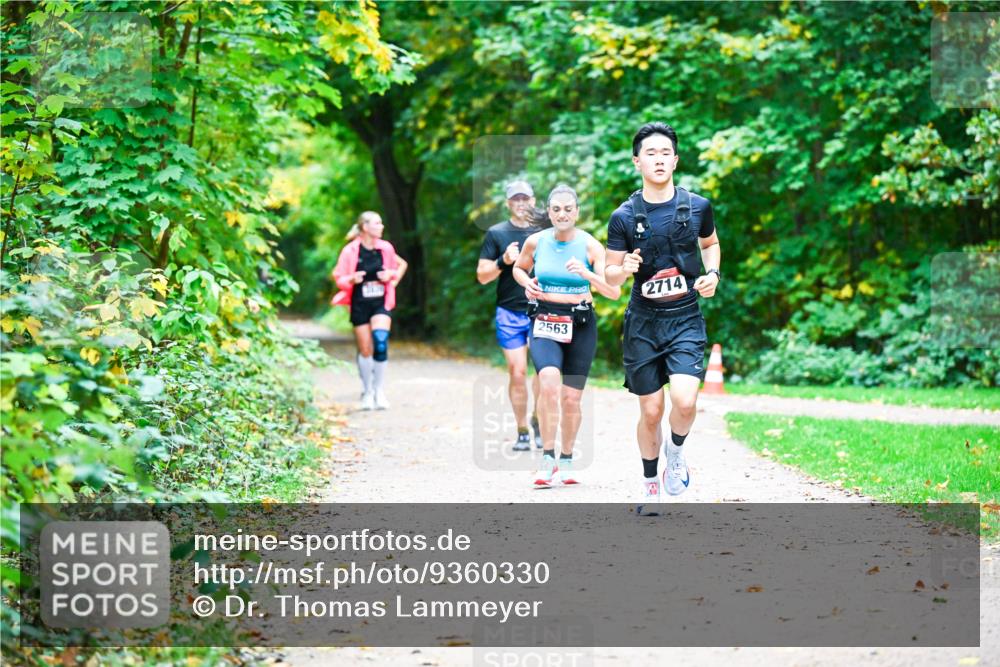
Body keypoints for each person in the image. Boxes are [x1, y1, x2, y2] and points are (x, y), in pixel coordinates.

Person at [604, 122, 722, 514]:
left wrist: (713, 275)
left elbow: (711, 244)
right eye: (650, 153)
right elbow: (609, 273)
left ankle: (677, 451)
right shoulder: (623, 216)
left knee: (685, 402)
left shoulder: (698, 206)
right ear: (637, 161)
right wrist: (625, 268)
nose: (658, 159)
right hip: (643, 323)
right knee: (651, 410)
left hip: (685, 317)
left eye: (665, 153)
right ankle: (650, 482)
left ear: (675, 159)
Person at [512, 184, 620, 487]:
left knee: (571, 398)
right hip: (545, 321)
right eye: (556, 209)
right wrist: (525, 282)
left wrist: (587, 274)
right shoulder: (536, 241)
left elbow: (612, 292)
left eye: (568, 209)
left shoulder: (590, 246)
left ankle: (568, 458)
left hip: (581, 324)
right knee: (548, 386)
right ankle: (547, 458)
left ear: (577, 212)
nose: (562, 214)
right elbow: (519, 269)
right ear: (549, 212)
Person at [477, 181, 547, 451]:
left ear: (533, 200)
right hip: (509, 312)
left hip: (541, 309)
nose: (520, 203)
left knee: (543, 370)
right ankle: (521, 431)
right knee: (517, 372)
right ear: (508, 203)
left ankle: (538, 420)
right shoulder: (496, 233)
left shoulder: (544, 232)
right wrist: (502, 261)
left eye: (525, 198)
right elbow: (482, 276)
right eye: (515, 199)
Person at [331, 211, 408, 410]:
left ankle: (379, 389)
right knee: (365, 349)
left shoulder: (386, 248)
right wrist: (351, 279)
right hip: (359, 303)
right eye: (377, 223)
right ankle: (367, 391)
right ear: (365, 227)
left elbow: (396, 269)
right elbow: (338, 277)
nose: (382, 226)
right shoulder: (350, 251)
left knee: (380, 341)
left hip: (381, 302)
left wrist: (390, 275)